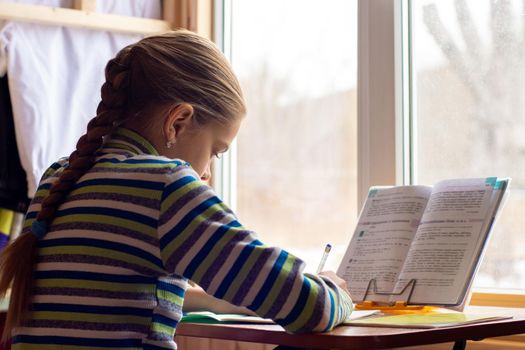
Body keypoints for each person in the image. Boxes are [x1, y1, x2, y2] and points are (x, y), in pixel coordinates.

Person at [0, 30, 353, 349]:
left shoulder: (57, 178)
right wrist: (335, 289)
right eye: (215, 151)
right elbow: (310, 307)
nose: (208, 173)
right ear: (178, 121)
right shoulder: (165, 184)